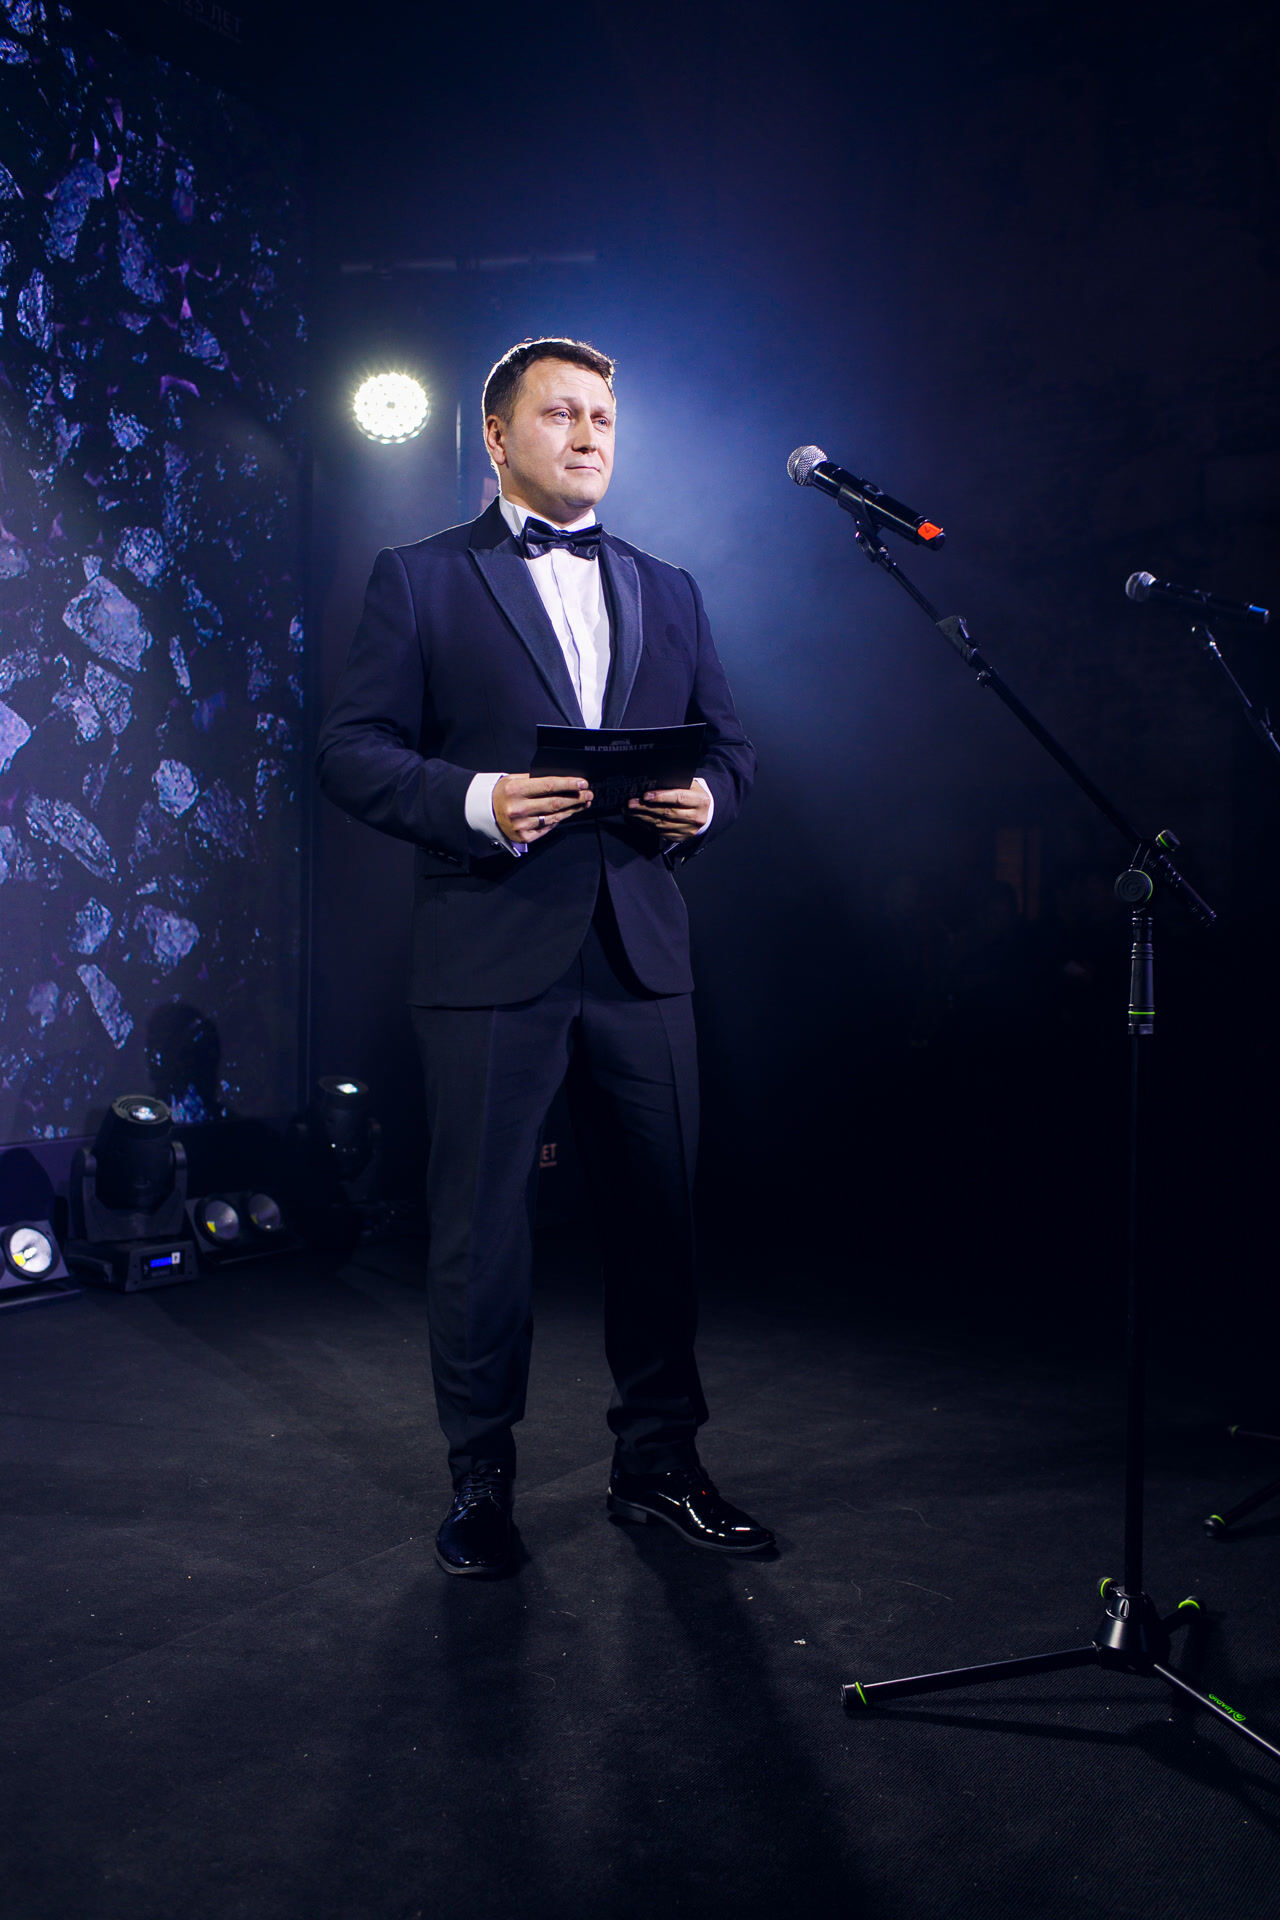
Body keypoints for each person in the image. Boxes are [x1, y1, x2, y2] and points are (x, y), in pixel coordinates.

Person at [316, 337, 772, 1575]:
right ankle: (479, 1482)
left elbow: (729, 750)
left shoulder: (669, 587)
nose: (584, 435)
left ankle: (658, 1467)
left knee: (659, 1218)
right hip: (488, 945)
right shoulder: (419, 577)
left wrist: (707, 804)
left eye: (601, 419)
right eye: (559, 413)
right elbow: (350, 750)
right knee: (482, 1231)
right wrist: (477, 800)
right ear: (496, 435)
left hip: (639, 950)